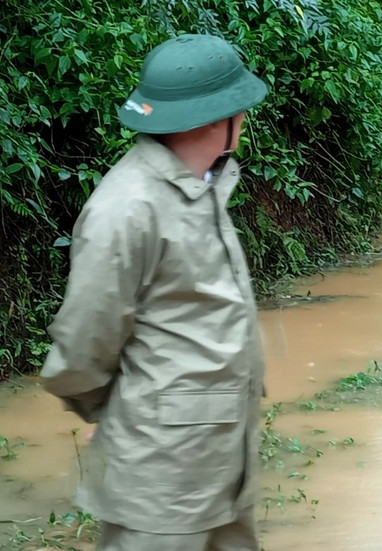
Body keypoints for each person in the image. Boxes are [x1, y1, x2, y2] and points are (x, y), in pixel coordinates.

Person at [40, 33, 269, 550]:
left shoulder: (204, 185)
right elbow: (83, 342)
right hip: (160, 477)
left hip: (220, 462)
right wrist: (105, 411)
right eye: (240, 106)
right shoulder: (128, 207)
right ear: (217, 117)